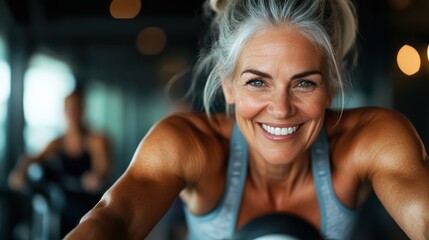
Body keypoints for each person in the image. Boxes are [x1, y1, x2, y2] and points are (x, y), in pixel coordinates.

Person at [66, 0, 429, 239]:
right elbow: (114, 218)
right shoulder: (190, 145)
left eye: (304, 83)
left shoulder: (371, 140)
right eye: (257, 82)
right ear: (228, 86)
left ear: (331, 88)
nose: (281, 108)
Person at [8, 86, 112, 237]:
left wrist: (96, 177)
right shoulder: (58, 143)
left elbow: (103, 168)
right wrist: (20, 172)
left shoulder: (95, 141)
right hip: (63, 209)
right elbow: (31, 158)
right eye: (69, 108)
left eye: (76, 108)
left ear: (83, 109)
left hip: (90, 208)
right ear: (63, 111)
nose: (72, 112)